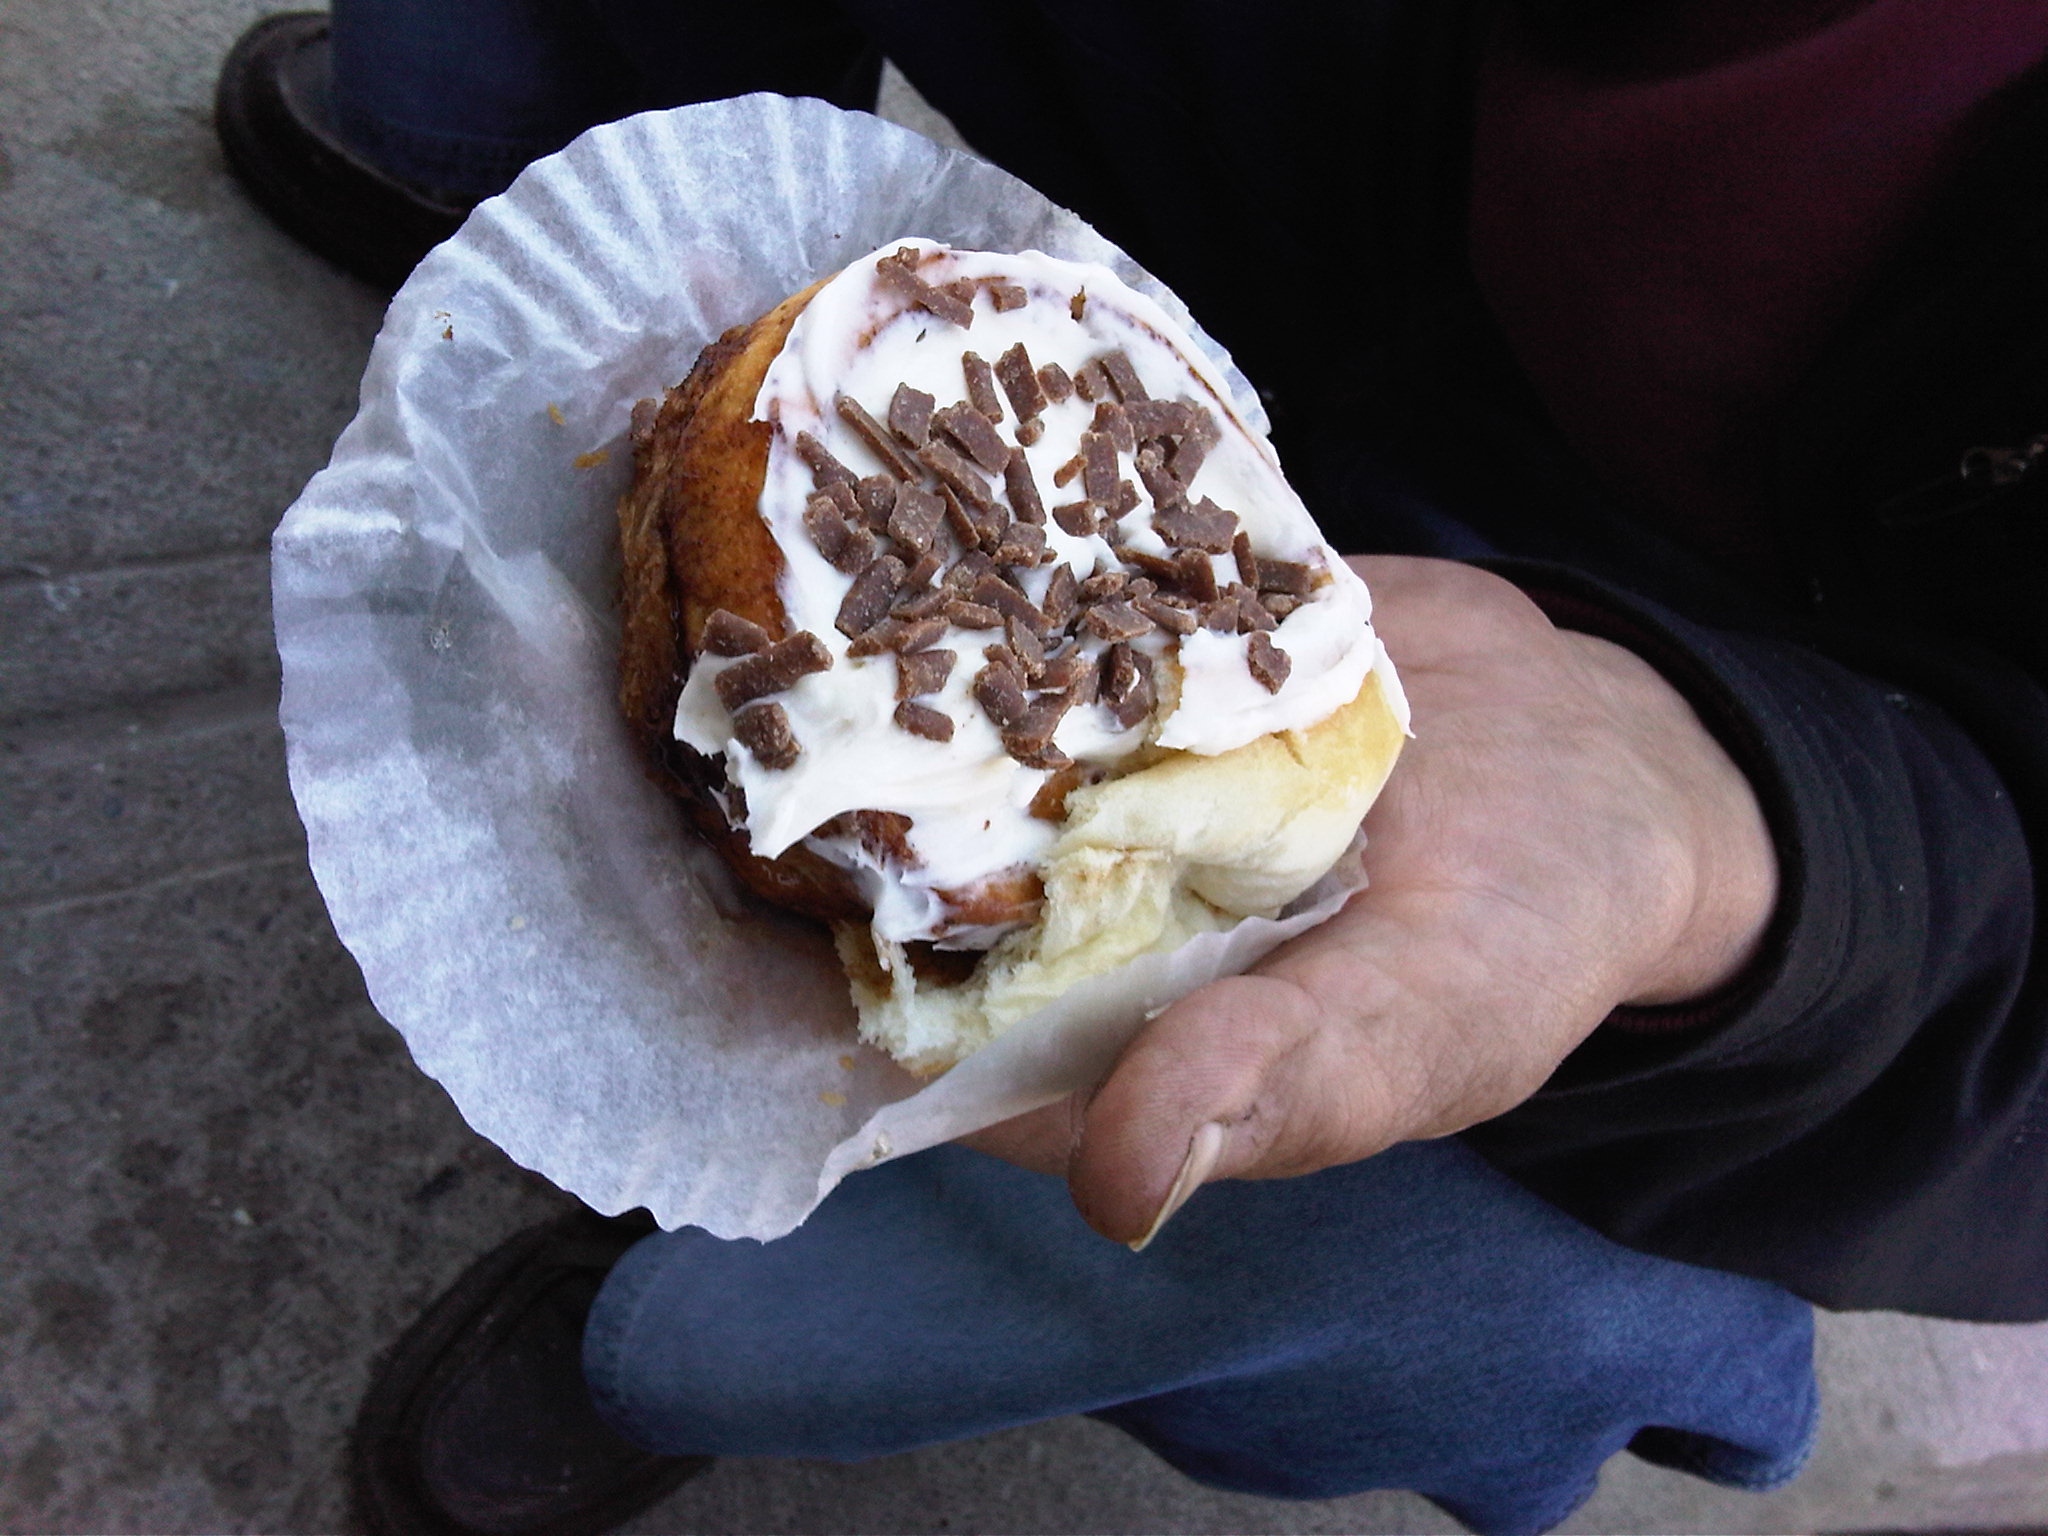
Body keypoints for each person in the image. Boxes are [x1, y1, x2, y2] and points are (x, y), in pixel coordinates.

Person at [218, 2, 2048, 1533]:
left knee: (1437, 1284)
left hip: (1865, 832)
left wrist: (1769, 852)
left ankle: (678, 1342)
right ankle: (462, 146)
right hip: (1372, 174)